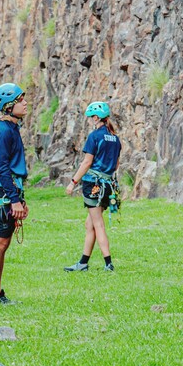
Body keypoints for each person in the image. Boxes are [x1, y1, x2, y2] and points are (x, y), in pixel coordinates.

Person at [64, 102, 121, 272]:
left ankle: (108, 263)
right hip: (108, 186)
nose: (90, 121)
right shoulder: (115, 139)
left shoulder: (95, 137)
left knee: (98, 224)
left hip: (94, 186)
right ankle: (83, 263)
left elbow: (87, 162)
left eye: (91, 118)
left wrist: (73, 182)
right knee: (90, 224)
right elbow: (116, 165)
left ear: (96, 118)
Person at [0, 83, 29, 305]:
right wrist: (13, 199)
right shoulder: (2, 131)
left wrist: (20, 199)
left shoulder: (12, 128)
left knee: (4, 244)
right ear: (8, 105)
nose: (25, 103)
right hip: (3, 191)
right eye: (21, 100)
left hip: (11, 190)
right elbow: (2, 168)